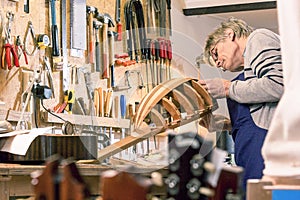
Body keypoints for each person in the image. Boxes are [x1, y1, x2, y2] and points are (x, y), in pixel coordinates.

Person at [199, 17, 284, 195]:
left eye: (215, 53)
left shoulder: (259, 38)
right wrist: (228, 124)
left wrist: (228, 88)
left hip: (266, 157)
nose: (218, 64)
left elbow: (279, 85)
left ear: (229, 35)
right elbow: (263, 110)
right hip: (251, 159)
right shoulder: (249, 73)